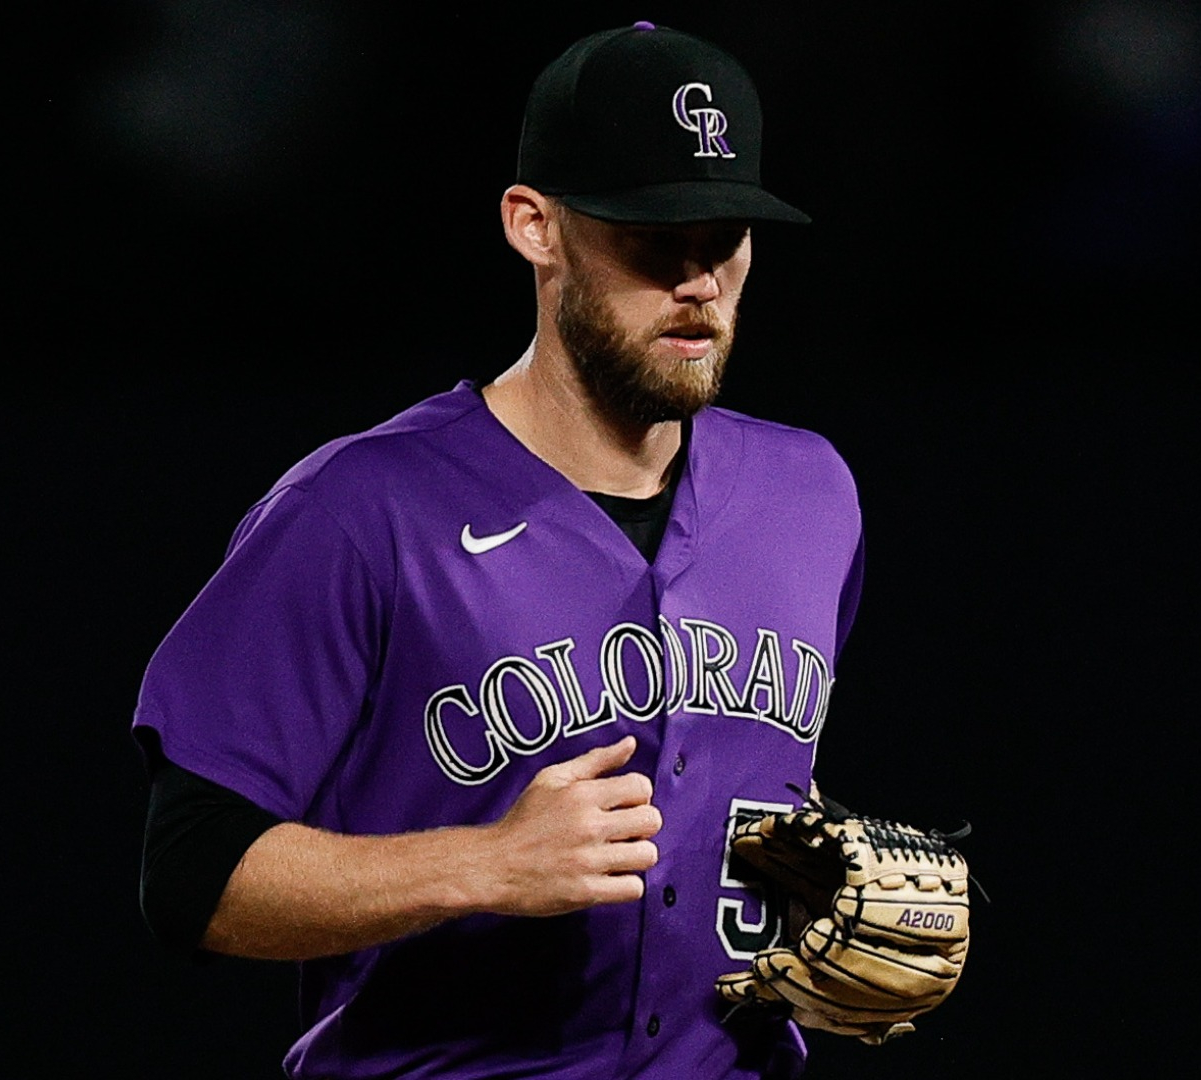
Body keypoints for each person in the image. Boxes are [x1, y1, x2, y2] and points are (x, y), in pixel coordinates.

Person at [133, 22, 863, 1079]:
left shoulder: (812, 497)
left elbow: (743, 773)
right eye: (654, 235)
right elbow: (192, 879)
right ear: (536, 227)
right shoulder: (361, 508)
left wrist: (819, 887)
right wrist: (486, 863)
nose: (698, 279)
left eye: (725, 235)